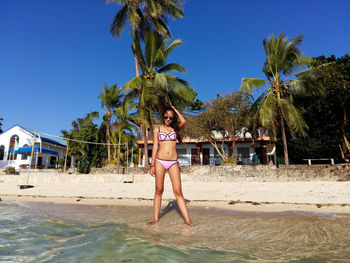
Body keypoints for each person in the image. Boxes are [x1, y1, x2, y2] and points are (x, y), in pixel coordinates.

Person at [148, 106, 193, 226]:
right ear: (163, 116)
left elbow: (183, 121)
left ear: (173, 119)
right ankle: (156, 219)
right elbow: (155, 147)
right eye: (166, 116)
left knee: (178, 191)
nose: (168, 119)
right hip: (159, 161)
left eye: (171, 117)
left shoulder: (175, 129)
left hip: (173, 162)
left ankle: (188, 220)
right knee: (159, 190)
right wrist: (152, 164)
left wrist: (176, 110)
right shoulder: (157, 129)